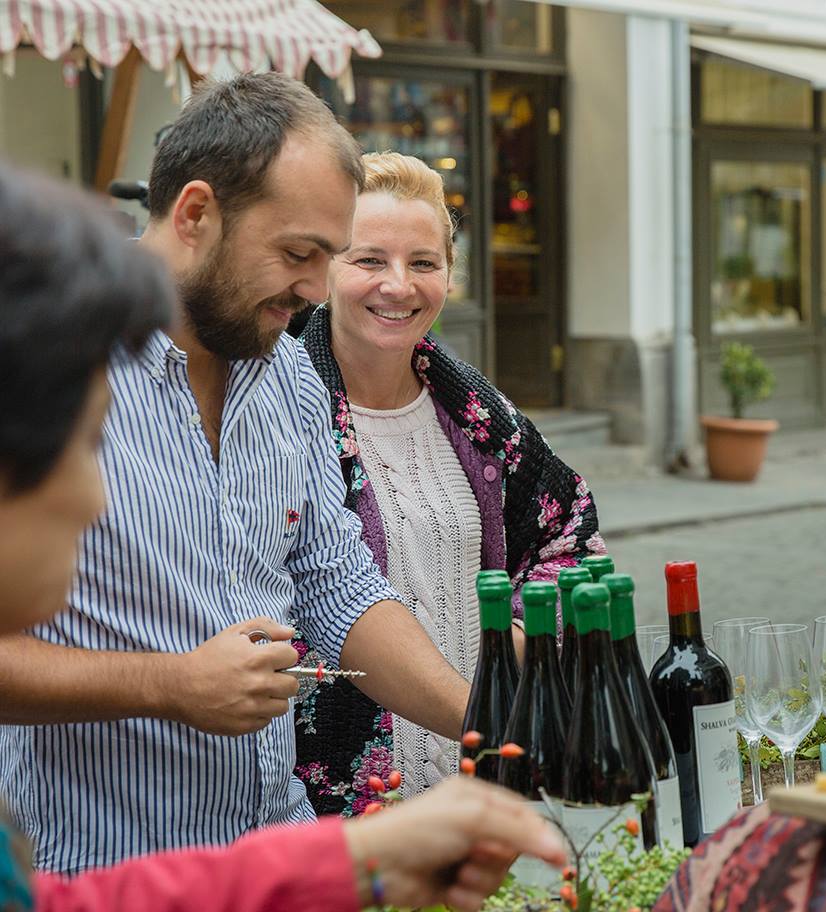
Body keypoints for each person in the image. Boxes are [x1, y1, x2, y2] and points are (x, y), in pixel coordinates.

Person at [0, 159, 565, 911]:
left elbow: (337, 582)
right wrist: (168, 685)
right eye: (302, 253)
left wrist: (482, 724)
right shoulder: (66, 350)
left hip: (269, 841)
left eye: (331, 256)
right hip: (94, 854)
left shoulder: (289, 370)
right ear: (196, 215)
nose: (317, 287)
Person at [292, 152, 604, 810]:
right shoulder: (279, 414)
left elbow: (571, 538)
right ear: (325, 269)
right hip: (335, 813)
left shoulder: (482, 418)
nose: (398, 285)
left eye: (423, 263)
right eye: (369, 259)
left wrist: (511, 650)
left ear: (449, 274)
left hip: (480, 786)